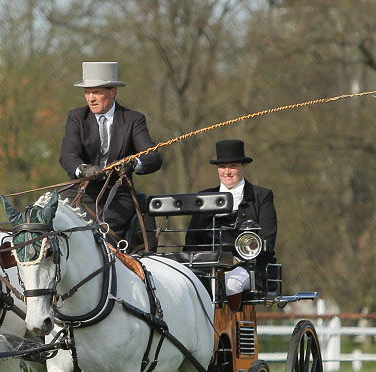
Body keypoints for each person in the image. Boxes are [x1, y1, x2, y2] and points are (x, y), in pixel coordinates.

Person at [59, 61, 163, 251]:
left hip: (117, 196)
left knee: (101, 233)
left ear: (113, 91)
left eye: (96, 92)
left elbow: (154, 157)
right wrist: (84, 169)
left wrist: (134, 163)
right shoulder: (76, 117)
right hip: (81, 191)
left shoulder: (133, 120)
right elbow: (67, 155)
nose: (90, 98)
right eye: (87, 92)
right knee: (46, 220)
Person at [184, 139, 277, 309]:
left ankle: (231, 323)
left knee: (230, 284)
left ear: (244, 167)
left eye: (232, 166)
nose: (227, 172)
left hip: (248, 267)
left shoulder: (261, 196)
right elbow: (192, 239)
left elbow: (267, 240)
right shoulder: (204, 197)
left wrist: (236, 260)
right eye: (222, 167)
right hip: (208, 265)